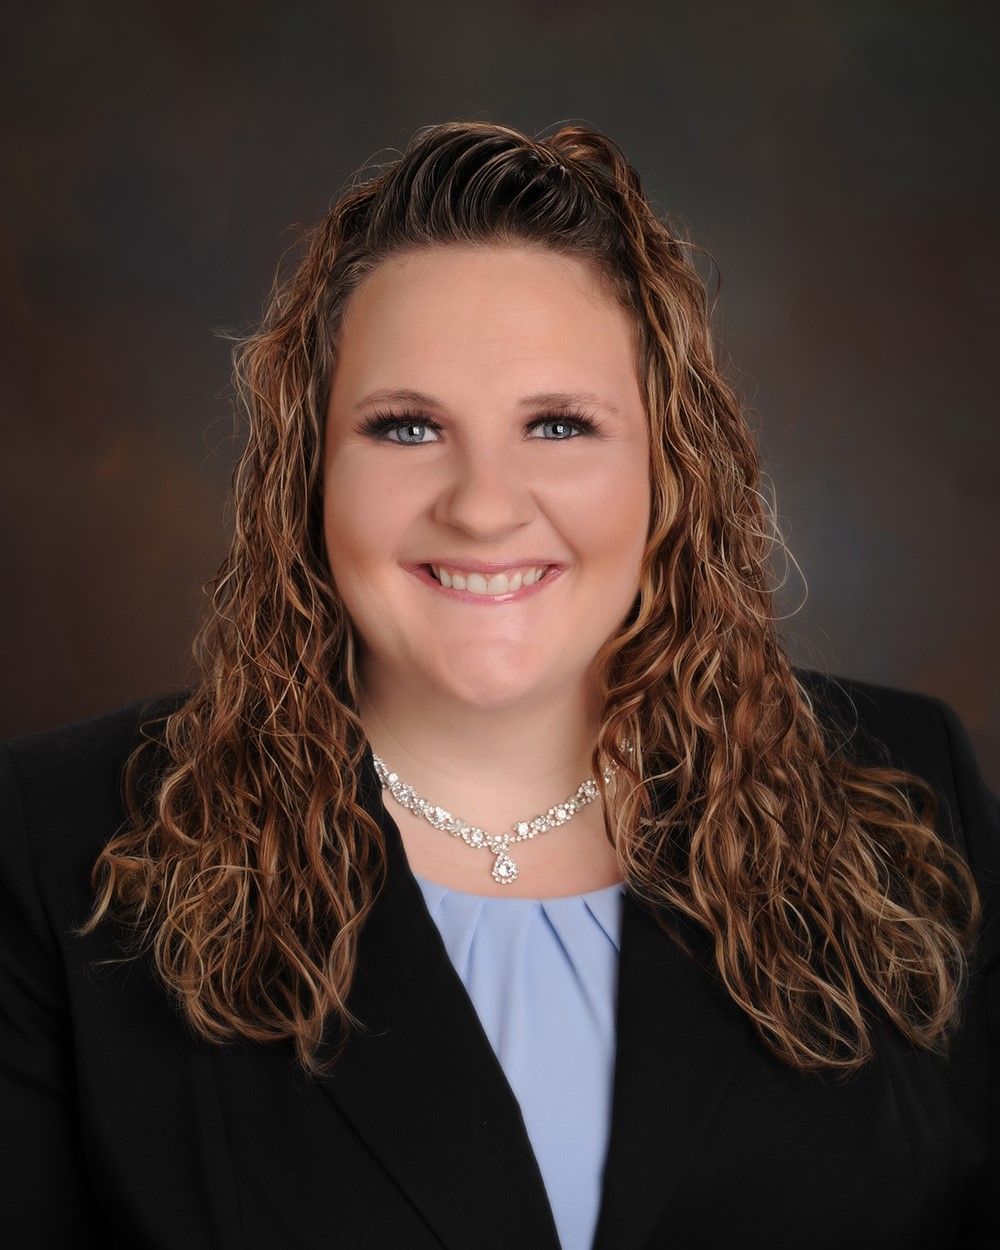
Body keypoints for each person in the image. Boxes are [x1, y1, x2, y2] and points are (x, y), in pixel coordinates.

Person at [0, 120, 996, 1250]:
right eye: (406, 426)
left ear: (673, 467)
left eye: (559, 424)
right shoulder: (54, 845)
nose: (482, 505)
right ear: (307, 471)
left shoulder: (908, 795)